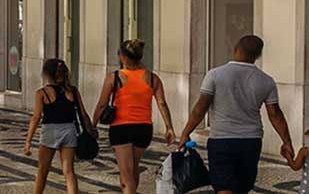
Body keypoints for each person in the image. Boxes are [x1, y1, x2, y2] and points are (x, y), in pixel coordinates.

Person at [180, 35, 294, 194]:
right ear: (258, 55)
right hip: (251, 141)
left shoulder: (214, 75)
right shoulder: (266, 81)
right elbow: (275, 114)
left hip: (221, 140)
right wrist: (286, 141)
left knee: (224, 187)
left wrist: (186, 133)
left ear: (235, 50)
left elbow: (201, 107)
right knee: (242, 188)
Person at [93, 39, 175, 194]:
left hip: (121, 127)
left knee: (126, 175)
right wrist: (169, 127)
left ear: (123, 57)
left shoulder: (114, 77)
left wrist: (93, 124)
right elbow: (162, 103)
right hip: (143, 128)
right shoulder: (152, 78)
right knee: (133, 168)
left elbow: (102, 104)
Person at [23, 59, 92, 194]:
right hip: (69, 131)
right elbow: (83, 114)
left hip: (50, 131)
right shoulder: (73, 91)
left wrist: (28, 141)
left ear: (46, 74)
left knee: (43, 170)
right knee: (69, 172)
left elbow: (36, 118)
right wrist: (91, 129)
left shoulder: (42, 93)